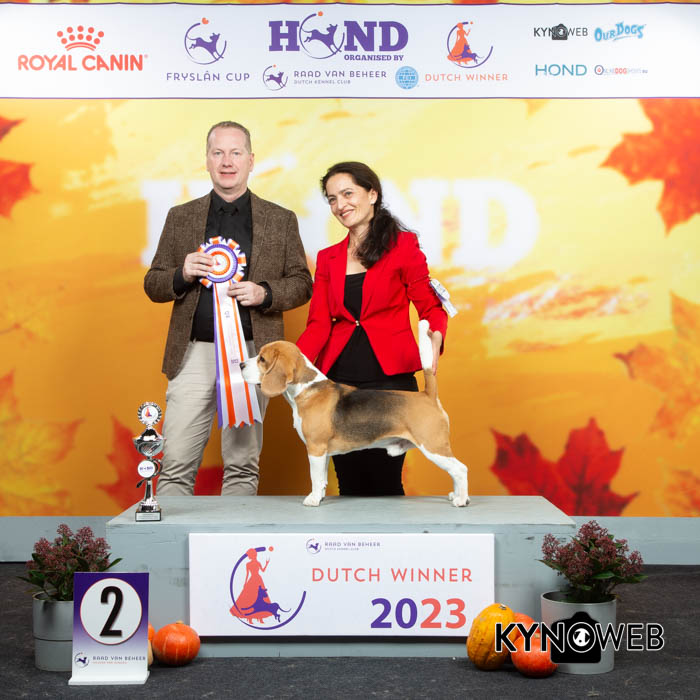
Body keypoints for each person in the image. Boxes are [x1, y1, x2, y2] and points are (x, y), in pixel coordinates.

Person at [144, 121, 312, 495]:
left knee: (242, 465)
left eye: (236, 153)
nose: (227, 161)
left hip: (254, 356)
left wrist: (265, 293)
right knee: (175, 465)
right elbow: (153, 284)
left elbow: (303, 284)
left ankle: (234, 534)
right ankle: (173, 533)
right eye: (218, 152)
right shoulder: (180, 217)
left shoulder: (281, 219)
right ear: (206, 160)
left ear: (251, 160)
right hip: (193, 353)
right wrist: (181, 273)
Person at [296, 162, 448, 496]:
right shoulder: (327, 258)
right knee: (348, 485)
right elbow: (318, 323)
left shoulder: (404, 246)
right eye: (332, 199)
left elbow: (429, 305)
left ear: (372, 194)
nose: (340, 205)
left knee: (385, 484)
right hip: (338, 385)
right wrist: (292, 363)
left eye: (347, 193)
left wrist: (436, 333)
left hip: (390, 382)